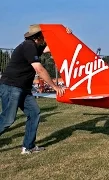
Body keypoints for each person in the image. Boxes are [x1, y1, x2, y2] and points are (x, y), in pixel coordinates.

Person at [0, 24, 70, 154]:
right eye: (45, 36)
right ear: (39, 36)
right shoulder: (28, 46)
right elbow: (39, 69)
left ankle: (28, 147)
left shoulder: (36, 46)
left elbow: (53, 46)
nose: (46, 38)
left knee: (34, 113)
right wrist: (54, 86)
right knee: (7, 119)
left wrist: (66, 34)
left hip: (23, 88)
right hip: (11, 86)